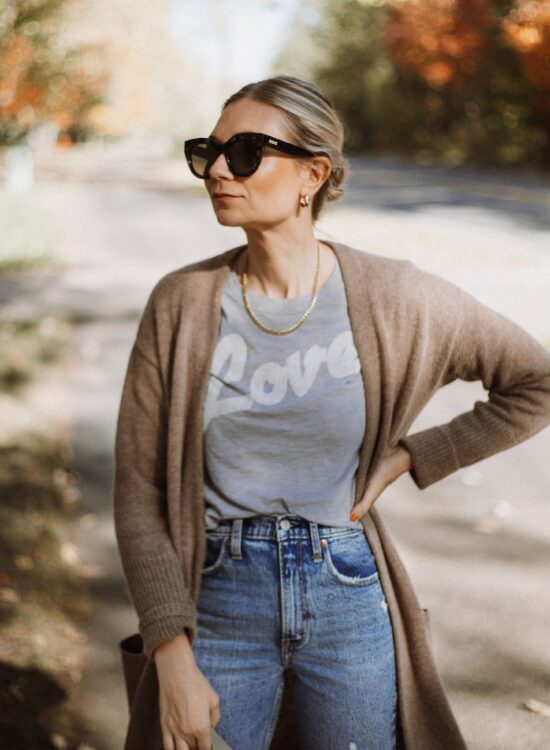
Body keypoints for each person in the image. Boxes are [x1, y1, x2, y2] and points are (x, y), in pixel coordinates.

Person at [113, 75, 550, 750]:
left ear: (313, 174)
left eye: (248, 152)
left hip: (347, 590)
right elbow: (139, 488)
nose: (219, 171)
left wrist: (414, 454)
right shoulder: (182, 303)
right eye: (210, 151)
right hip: (220, 594)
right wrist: (171, 654)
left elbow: (536, 381)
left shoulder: (397, 297)